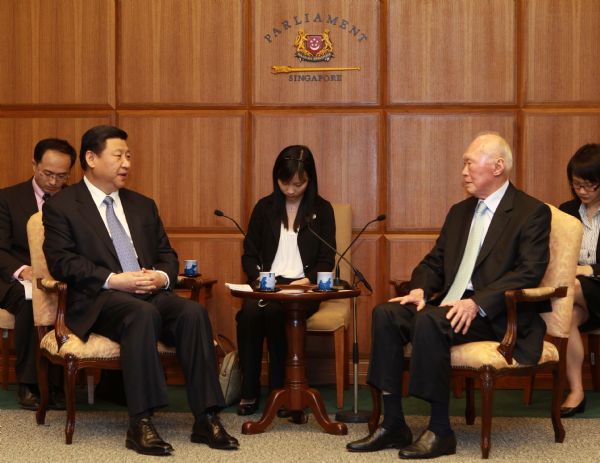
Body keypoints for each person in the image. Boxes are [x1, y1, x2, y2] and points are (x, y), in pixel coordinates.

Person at [347, 133, 551, 459]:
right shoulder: (460, 212)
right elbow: (435, 262)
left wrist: (478, 303)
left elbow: (529, 272)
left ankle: (440, 430)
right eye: (464, 165)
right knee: (386, 313)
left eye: (469, 163)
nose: (464, 172)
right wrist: (419, 289)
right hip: (448, 306)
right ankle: (393, 423)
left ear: (498, 167)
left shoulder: (531, 212)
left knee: (431, 320)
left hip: (495, 314)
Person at [42, 125, 238, 456]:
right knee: (141, 313)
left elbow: (167, 255)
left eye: (129, 156)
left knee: (193, 312)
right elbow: (62, 263)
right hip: (100, 299)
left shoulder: (142, 205)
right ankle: (141, 423)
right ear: (91, 158)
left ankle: (206, 417)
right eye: (118, 155)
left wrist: (162, 276)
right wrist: (114, 279)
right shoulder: (63, 206)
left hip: (149, 293)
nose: (126, 163)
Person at [236, 145, 336, 416]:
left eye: (298, 184)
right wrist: (259, 278)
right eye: (285, 183)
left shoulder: (322, 210)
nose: (291, 190)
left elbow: (328, 259)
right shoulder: (265, 207)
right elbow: (249, 253)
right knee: (248, 316)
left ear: (309, 180)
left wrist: (306, 280)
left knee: (276, 314)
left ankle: (284, 392)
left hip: (304, 288)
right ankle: (250, 390)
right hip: (269, 285)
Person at [0, 138, 76, 410]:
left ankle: (58, 384)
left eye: (62, 175)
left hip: (59, 278)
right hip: (12, 278)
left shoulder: (76, 201)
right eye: (48, 174)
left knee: (69, 300)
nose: (54, 182)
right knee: (30, 299)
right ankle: (31, 384)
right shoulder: (8, 198)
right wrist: (24, 271)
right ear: (34, 165)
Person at [558, 143, 600, 417]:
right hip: (581, 295)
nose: (582, 191)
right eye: (577, 185)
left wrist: (590, 271)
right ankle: (576, 390)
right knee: (568, 316)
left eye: (589, 185)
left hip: (592, 284)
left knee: (566, 292)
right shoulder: (567, 210)